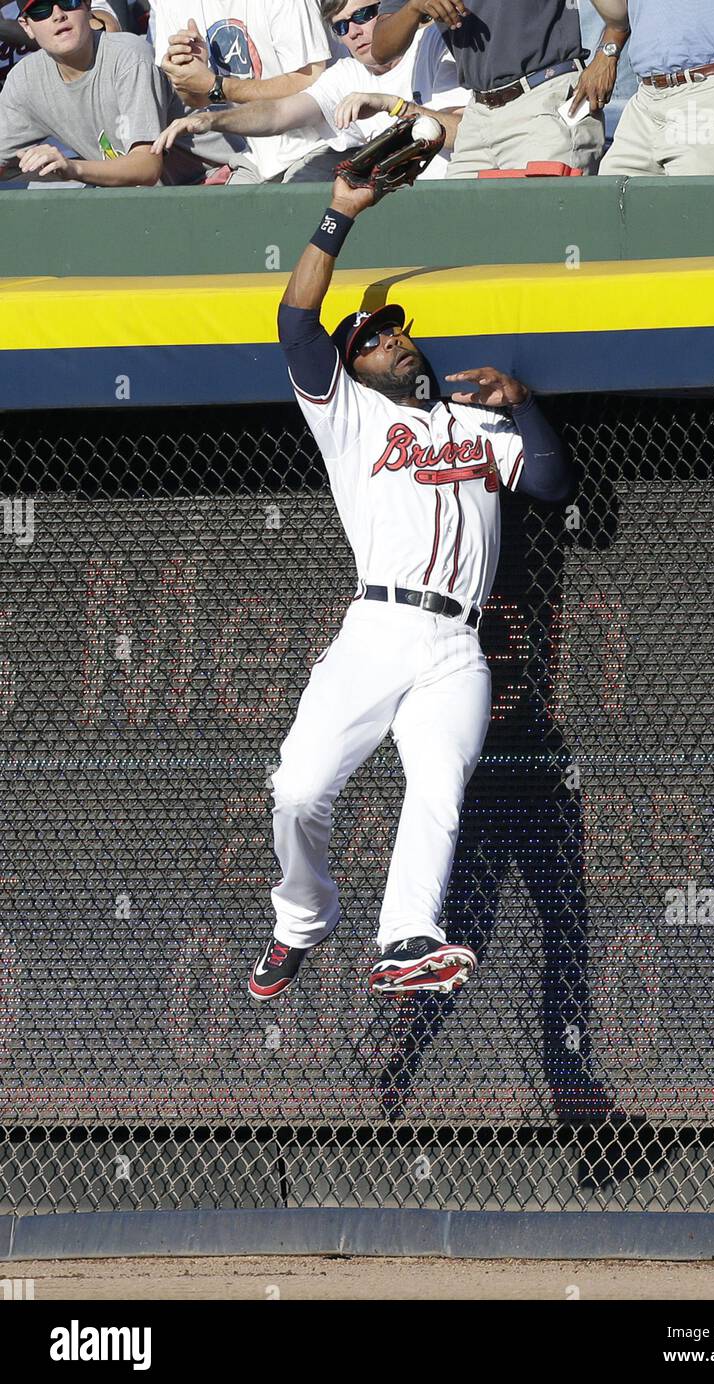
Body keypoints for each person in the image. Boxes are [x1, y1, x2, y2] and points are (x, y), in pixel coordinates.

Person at [247, 175, 578, 1003]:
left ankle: (406, 938)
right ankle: (303, 916)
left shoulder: (477, 423)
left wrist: (525, 404)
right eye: (375, 339)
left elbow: (553, 487)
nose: (395, 342)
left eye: (399, 333)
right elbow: (294, 322)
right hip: (380, 628)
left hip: (458, 647)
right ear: (354, 365)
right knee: (297, 788)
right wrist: (341, 214)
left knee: (437, 791)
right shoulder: (349, 415)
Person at [154, 0, 467, 181]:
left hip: (452, 190)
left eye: (363, 15)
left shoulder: (433, 45)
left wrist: (393, 106)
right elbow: (278, 114)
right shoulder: (346, 75)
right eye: (341, 27)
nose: (355, 32)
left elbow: (465, 132)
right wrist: (211, 120)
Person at [0, 0, 259, 185]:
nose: (58, 15)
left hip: (221, 178)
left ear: (88, 6)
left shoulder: (128, 56)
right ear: (27, 25)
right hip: (150, 197)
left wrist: (72, 168)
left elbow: (146, 168)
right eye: (41, 9)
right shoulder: (24, 79)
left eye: (68, 2)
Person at [371, 0, 609, 177]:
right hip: (478, 113)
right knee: (458, 232)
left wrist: (609, 51)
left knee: (547, 229)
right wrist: (414, 7)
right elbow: (381, 49)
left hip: (544, 93)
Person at [148, 1, 332, 181]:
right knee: (226, 209)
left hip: (326, 142)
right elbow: (198, 100)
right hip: (257, 156)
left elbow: (308, 78)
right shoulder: (171, 4)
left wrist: (215, 85)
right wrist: (190, 77)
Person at [598, 0, 714, 177]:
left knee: (691, 199)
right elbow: (619, 15)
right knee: (609, 194)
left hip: (710, 88)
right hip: (647, 97)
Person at [1, 0, 117, 92]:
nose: (58, 15)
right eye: (40, 10)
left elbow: (108, 31)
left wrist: (5, 28)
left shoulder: (74, 5)